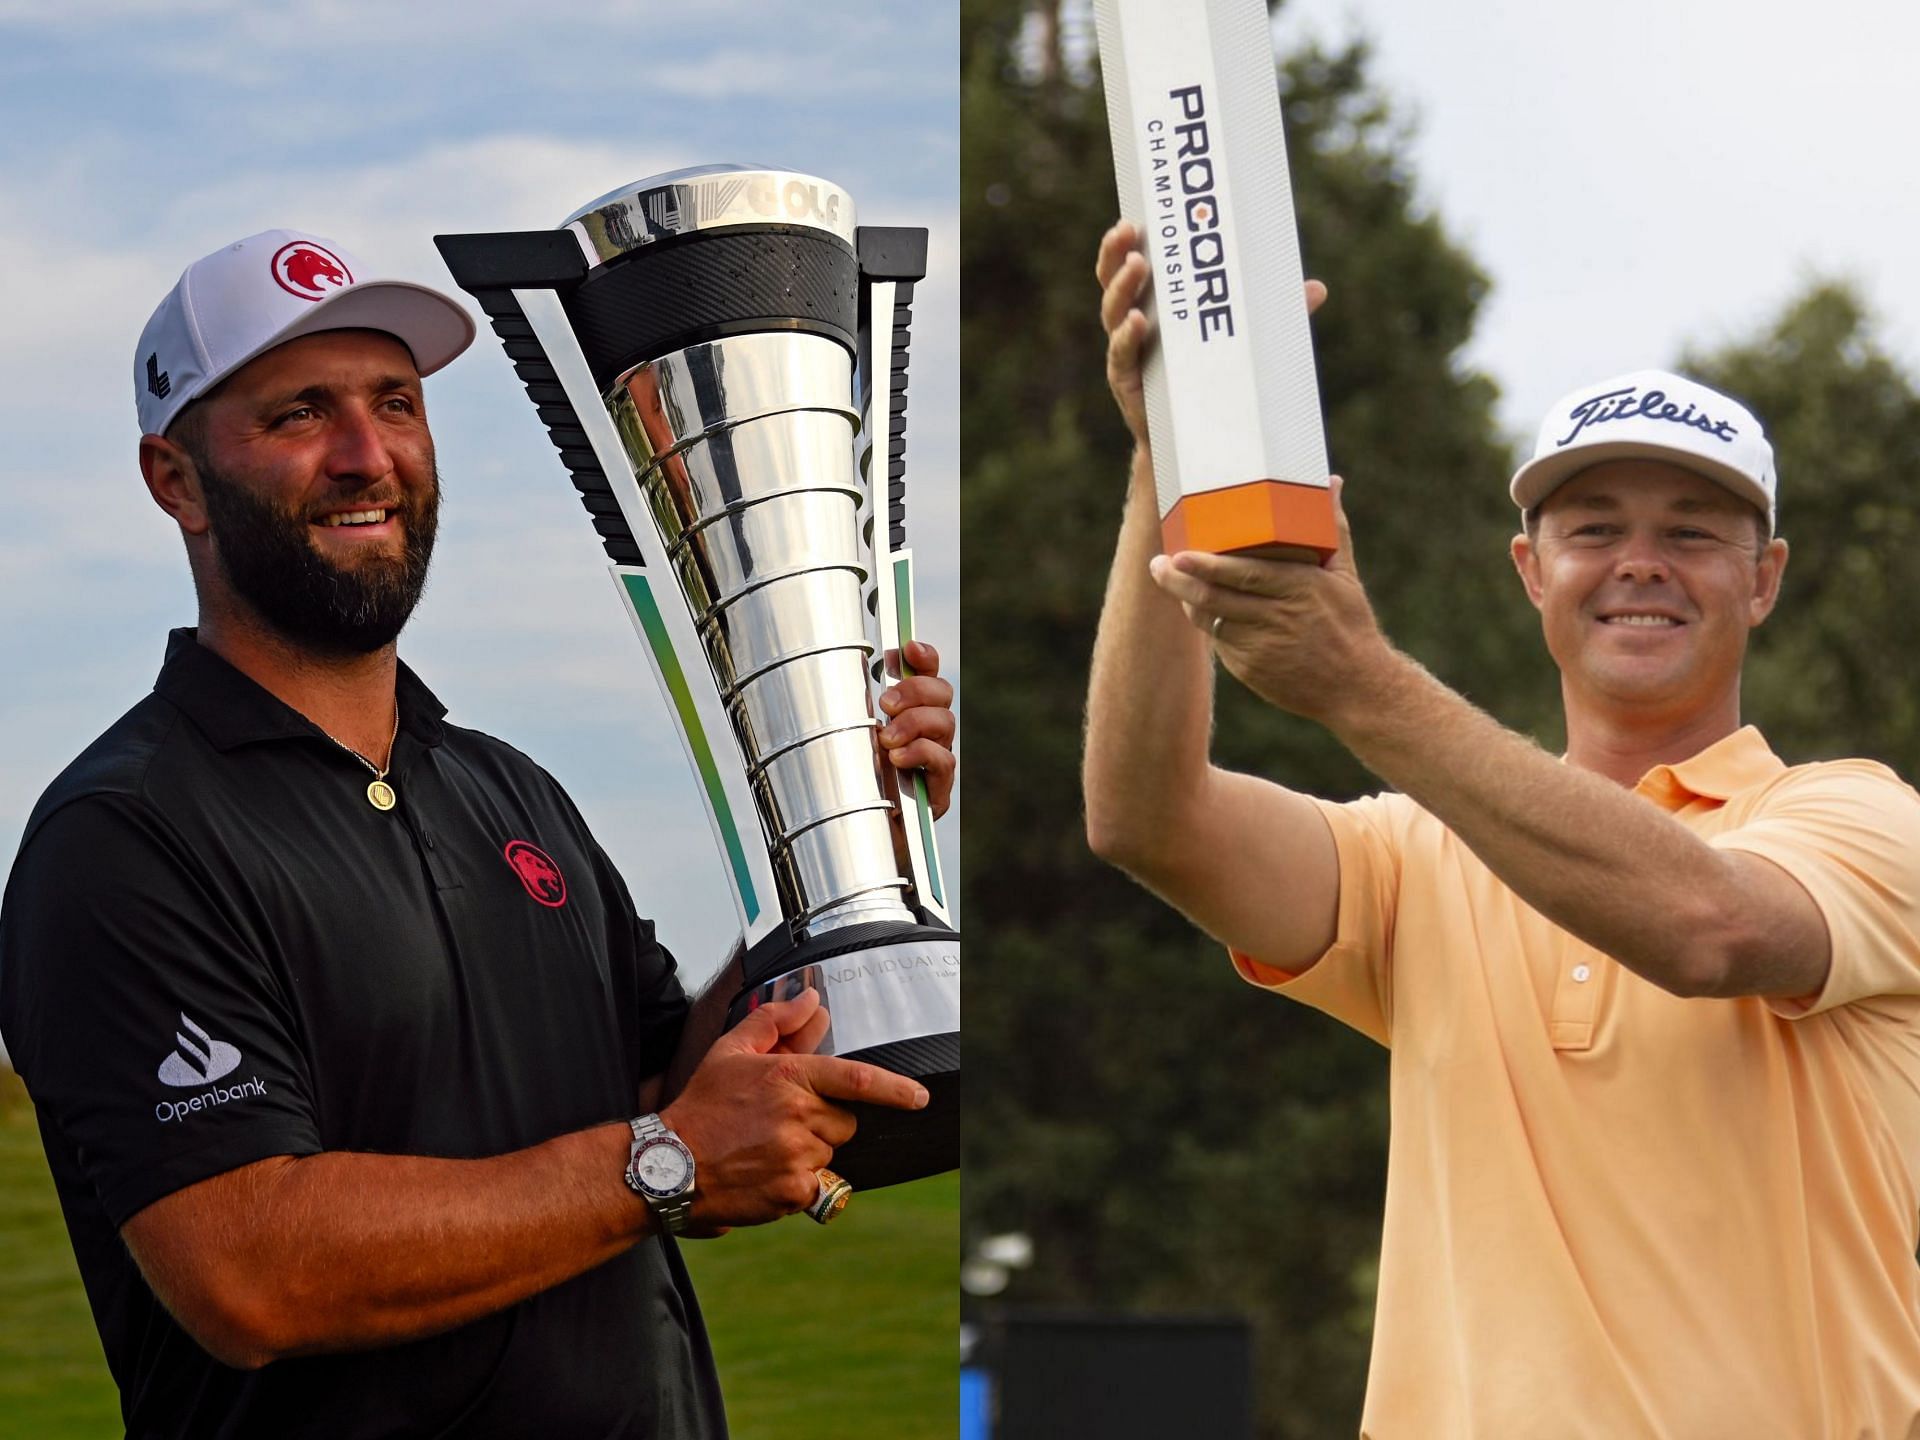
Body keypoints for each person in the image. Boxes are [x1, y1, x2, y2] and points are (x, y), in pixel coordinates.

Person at [0, 229, 957, 1439]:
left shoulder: (510, 794)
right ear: (175, 478)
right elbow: (245, 1268)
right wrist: (653, 1164)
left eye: (395, 403)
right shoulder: (125, 837)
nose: (367, 456)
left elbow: (670, 1094)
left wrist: (845, 836)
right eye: (300, 414)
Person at [1085, 219, 1920, 1437]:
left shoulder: (1862, 818)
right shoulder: (1416, 855)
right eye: (1594, 530)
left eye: (1692, 530)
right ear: (1532, 571)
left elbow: (1709, 926)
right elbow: (1148, 818)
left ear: (1766, 577)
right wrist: (1174, 460)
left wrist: (1363, 681)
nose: (1641, 563)